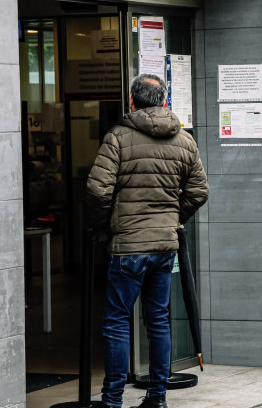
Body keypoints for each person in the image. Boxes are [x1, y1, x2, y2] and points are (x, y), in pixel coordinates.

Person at [86, 74, 209, 408]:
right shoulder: (183, 140)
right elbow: (199, 191)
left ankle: (112, 401)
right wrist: (175, 217)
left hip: (127, 246)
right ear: (164, 101)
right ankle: (157, 398)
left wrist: (104, 225)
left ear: (131, 101)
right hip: (164, 247)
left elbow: (98, 189)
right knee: (157, 320)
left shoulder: (118, 138)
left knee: (116, 321)